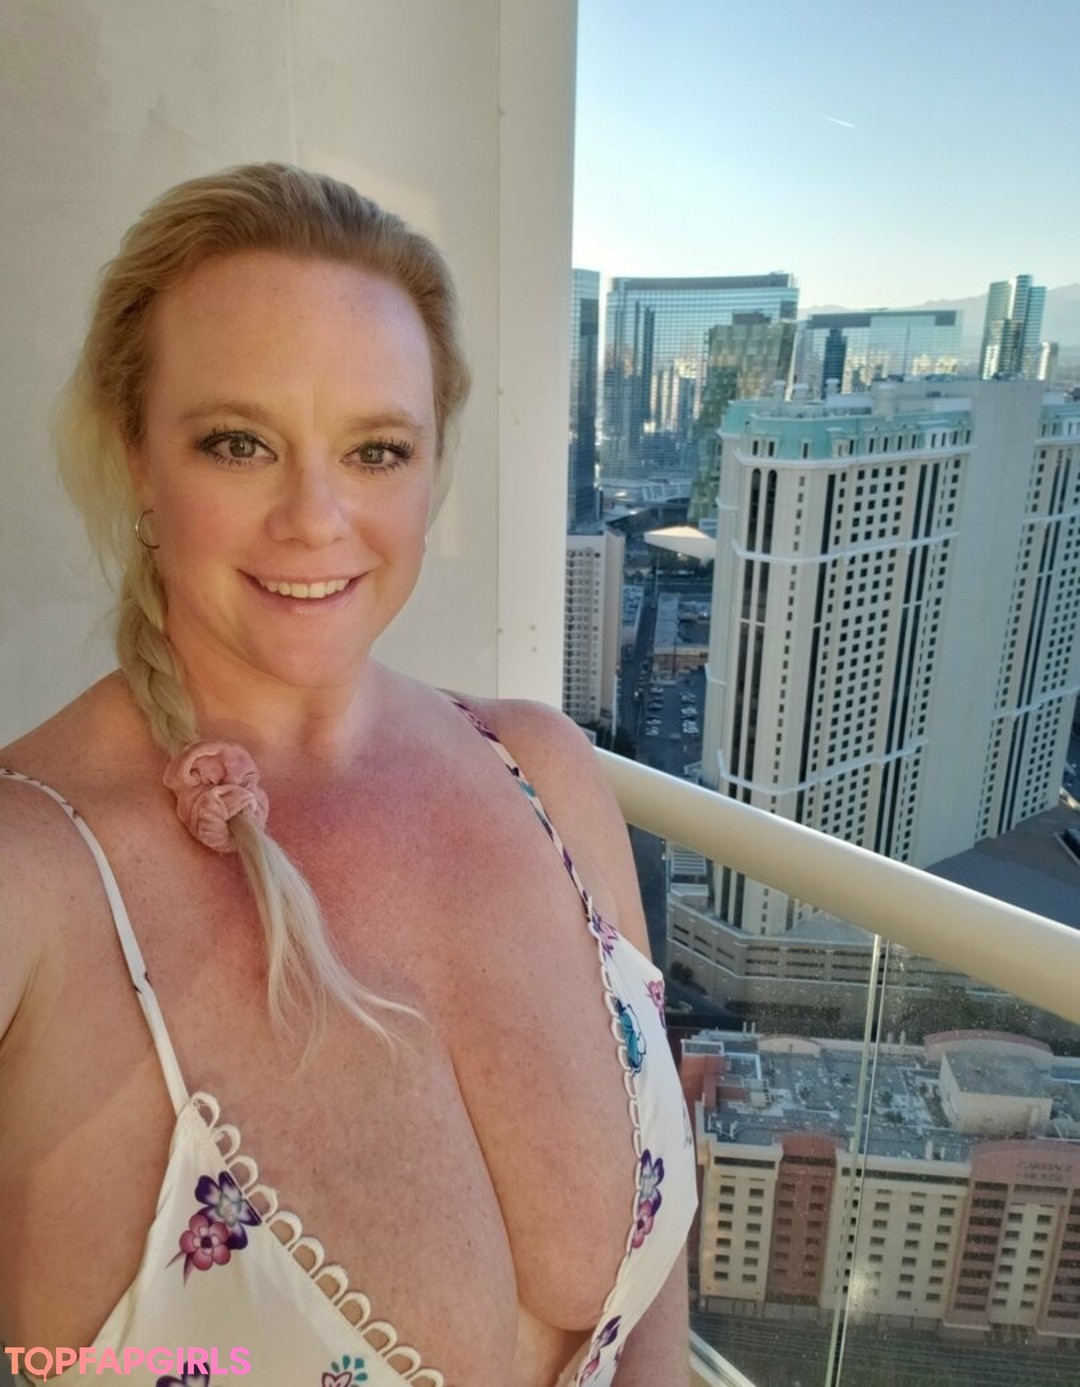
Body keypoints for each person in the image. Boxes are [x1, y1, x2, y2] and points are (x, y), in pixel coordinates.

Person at [0, 164, 696, 1387]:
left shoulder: (547, 774)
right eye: (239, 443)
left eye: (376, 449)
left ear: (432, 468)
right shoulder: (34, 868)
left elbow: (652, 1329)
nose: (316, 519)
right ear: (136, 456)